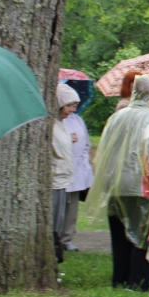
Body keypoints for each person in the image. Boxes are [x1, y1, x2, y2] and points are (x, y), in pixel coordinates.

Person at [85, 75, 149, 291]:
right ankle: (138, 283)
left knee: (119, 235)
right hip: (141, 187)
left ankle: (120, 279)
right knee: (143, 235)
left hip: (115, 184)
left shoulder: (117, 117)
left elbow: (103, 151)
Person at [59, 90, 94, 252]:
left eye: (75, 105)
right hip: (60, 171)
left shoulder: (78, 120)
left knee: (72, 207)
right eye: (70, 105)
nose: (73, 109)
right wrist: (67, 138)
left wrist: (84, 162)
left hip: (77, 169)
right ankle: (56, 237)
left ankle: (67, 238)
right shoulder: (56, 121)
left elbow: (86, 144)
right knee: (59, 206)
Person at [52, 84, 79, 258]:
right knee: (53, 221)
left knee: (59, 220)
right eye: (69, 105)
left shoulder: (61, 123)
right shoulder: (51, 124)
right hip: (53, 180)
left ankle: (55, 253)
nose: (71, 110)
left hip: (62, 179)